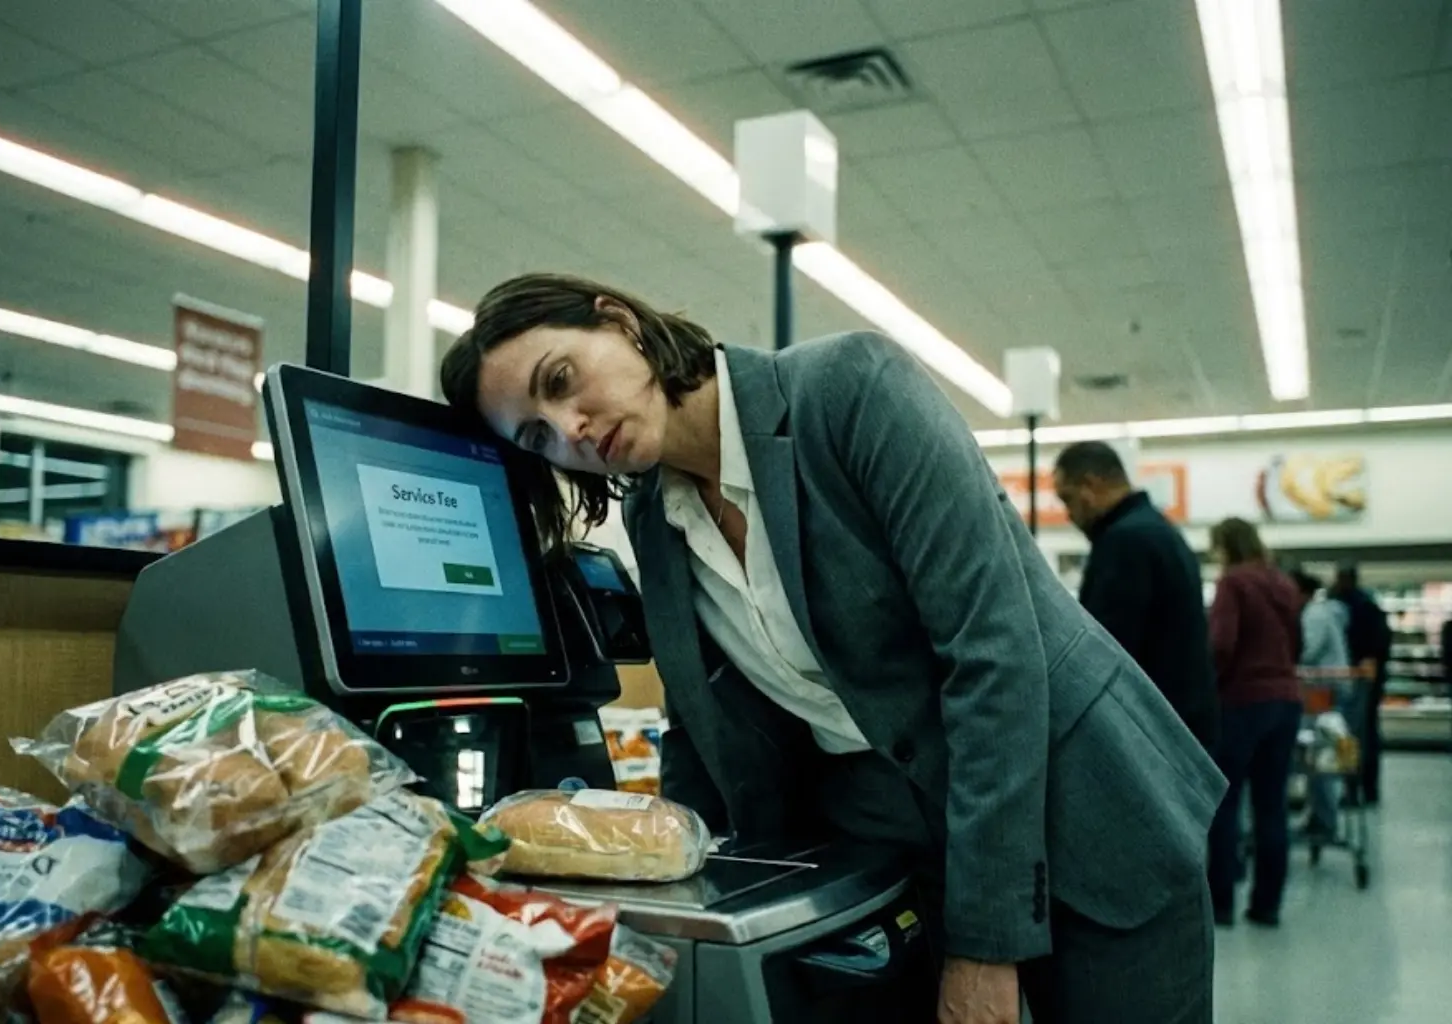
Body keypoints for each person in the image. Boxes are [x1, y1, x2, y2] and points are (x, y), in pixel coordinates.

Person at [441, 273, 1226, 1024]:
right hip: (910, 851)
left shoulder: (849, 390)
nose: (572, 427)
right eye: (539, 435)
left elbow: (993, 656)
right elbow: (705, 727)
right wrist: (663, 905)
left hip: (1082, 813)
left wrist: (987, 947)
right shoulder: (658, 516)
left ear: (618, 321)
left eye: (562, 378)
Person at [1053, 442, 1218, 749]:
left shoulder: (1124, 542)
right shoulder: (1161, 530)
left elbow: (1107, 646)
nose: (1069, 514)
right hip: (1185, 718)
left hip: (1148, 730)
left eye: (1068, 499)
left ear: (1091, 483)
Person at [1206, 519, 1304, 927]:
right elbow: (1297, 643)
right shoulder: (1282, 583)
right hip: (1286, 700)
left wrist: (1209, 681)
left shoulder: (1234, 583)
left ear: (1226, 545)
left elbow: (1220, 643)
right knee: (1271, 806)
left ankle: (1222, 902)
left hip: (1243, 700)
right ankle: (1267, 905)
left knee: (1225, 805)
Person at [1290, 569, 1353, 838]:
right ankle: (1320, 816)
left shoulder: (1314, 614)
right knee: (1321, 754)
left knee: (1322, 756)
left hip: (1323, 692)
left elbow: (1308, 650)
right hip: (1325, 691)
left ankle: (1324, 819)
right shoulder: (1323, 612)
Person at [1331, 565, 1392, 805]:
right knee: (1366, 735)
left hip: (1355, 680)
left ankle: (1352, 788)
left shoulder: (1348, 604)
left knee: (1352, 735)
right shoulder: (1370, 605)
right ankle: (1367, 788)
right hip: (1369, 680)